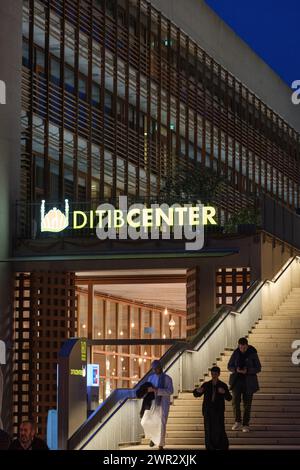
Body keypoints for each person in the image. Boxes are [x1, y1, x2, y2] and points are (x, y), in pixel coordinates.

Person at [227, 337, 261, 432]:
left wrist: (248, 370)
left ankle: (246, 424)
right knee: (235, 402)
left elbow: (258, 368)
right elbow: (229, 366)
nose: (242, 349)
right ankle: (238, 421)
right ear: (238, 345)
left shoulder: (253, 353)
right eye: (241, 347)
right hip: (236, 381)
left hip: (248, 382)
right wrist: (235, 369)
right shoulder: (236, 352)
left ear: (247, 345)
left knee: (247, 404)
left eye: (244, 348)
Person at [193, 366, 232, 450]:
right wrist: (197, 391)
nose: (214, 375)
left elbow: (229, 398)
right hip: (208, 410)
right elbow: (197, 394)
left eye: (215, 374)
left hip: (218, 411)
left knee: (220, 428)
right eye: (212, 374)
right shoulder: (206, 384)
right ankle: (209, 446)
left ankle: (222, 445)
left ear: (219, 374)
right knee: (208, 429)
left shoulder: (222, 385)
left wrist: (224, 392)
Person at [138, 360, 173, 450]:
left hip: (163, 403)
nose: (157, 369)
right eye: (155, 368)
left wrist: (157, 390)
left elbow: (170, 391)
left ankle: (160, 445)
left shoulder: (167, 378)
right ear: (153, 369)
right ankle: (153, 437)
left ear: (161, 367)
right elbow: (146, 389)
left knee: (161, 423)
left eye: (158, 367)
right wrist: (146, 391)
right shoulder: (151, 378)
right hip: (153, 403)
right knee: (145, 421)